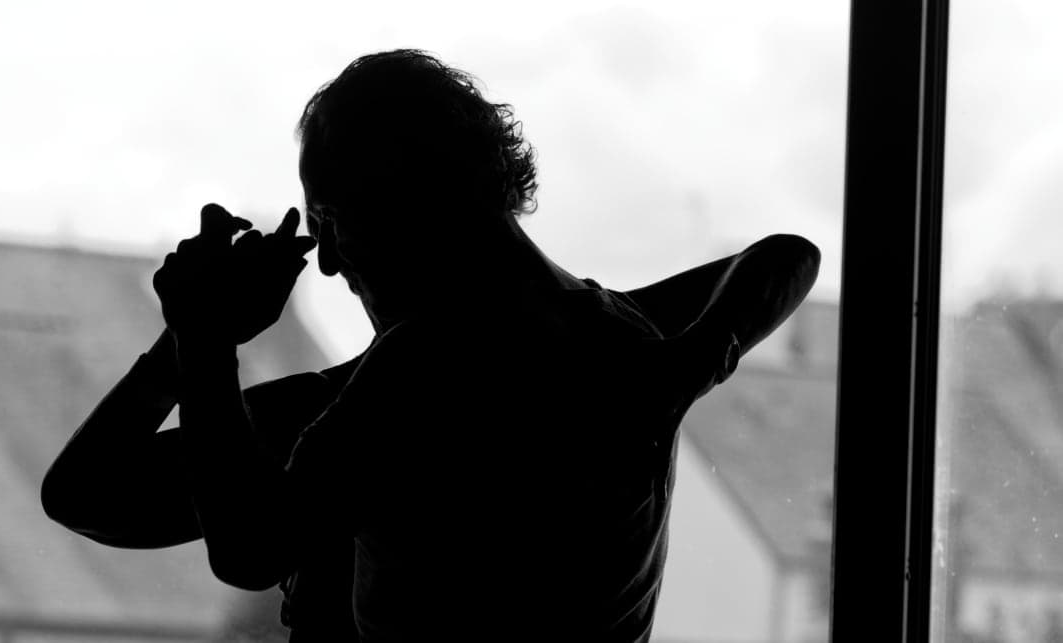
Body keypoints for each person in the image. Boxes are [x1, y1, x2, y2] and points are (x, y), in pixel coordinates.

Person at [41, 49, 820, 642]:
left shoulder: (415, 379)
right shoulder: (614, 337)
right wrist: (698, 356)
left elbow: (240, 546)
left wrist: (200, 336)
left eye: (329, 223)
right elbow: (785, 258)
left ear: (392, 203)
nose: (331, 262)